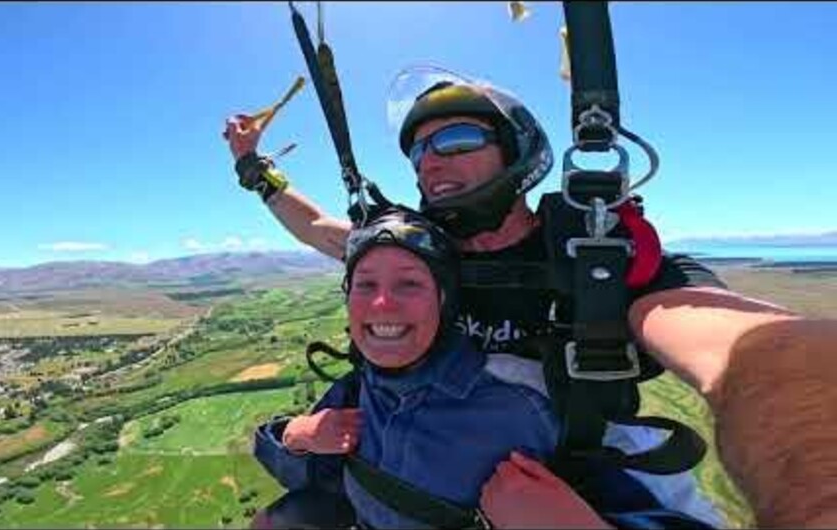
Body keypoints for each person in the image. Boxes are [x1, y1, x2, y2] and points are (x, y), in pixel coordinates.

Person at [224, 74, 837, 527]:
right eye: (419, 150)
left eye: (457, 138)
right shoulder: (420, 255)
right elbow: (321, 231)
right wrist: (254, 168)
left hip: (571, 492)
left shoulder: (595, 260)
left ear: (515, 151)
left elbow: (744, 348)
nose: (430, 159)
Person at [252, 208, 713, 529]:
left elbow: (684, 512)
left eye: (409, 284)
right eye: (365, 284)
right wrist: (294, 437)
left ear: (445, 300)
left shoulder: (525, 398)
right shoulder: (360, 386)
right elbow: (320, 477)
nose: (381, 303)